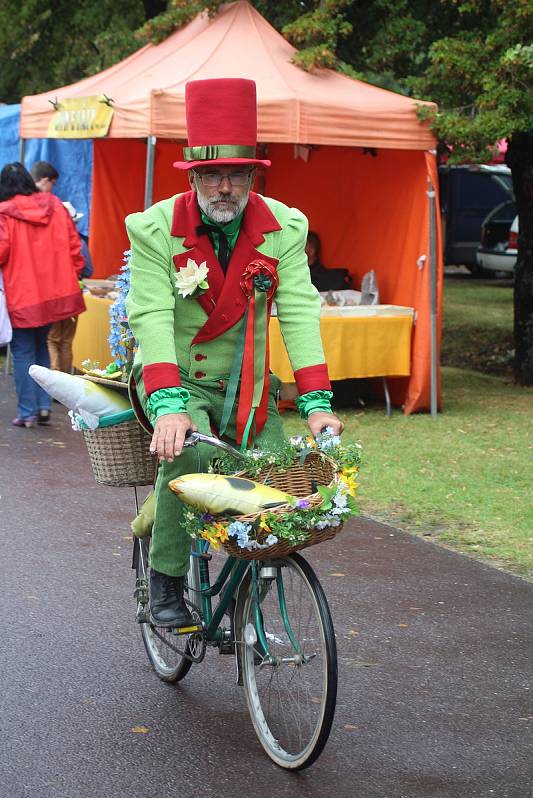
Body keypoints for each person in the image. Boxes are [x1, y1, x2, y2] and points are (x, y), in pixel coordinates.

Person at [126, 78, 344, 628]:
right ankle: (168, 578)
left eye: (237, 174)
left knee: (273, 481)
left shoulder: (284, 228)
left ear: (253, 175)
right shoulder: (154, 230)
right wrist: (169, 405)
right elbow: (150, 315)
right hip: (175, 376)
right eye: (212, 174)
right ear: (194, 175)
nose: (225, 188)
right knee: (189, 455)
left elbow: (297, 310)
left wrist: (317, 402)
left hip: (248, 384)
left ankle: (250, 596)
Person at [0, 163, 85, 427]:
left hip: (22, 295)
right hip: (55, 294)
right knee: (42, 348)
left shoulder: (4, 215)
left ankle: (28, 412)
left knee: (24, 352)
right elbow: (75, 247)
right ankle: (45, 405)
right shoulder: (56, 206)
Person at [46, 202, 93, 373]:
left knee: (52, 338)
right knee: (66, 340)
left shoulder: (47, 239)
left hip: (52, 294)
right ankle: (64, 381)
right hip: (73, 294)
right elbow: (89, 270)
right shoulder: (80, 242)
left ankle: (53, 378)